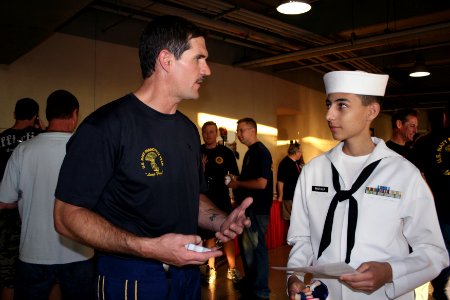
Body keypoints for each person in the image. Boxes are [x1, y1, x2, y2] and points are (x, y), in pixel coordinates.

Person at [53, 15, 252, 300]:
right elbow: (65, 216)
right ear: (166, 60)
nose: (207, 70)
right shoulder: (105, 127)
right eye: (198, 58)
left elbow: (190, 198)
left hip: (186, 275)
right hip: (131, 278)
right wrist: (149, 247)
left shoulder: (186, 130)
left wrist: (221, 220)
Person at [286, 70, 449, 300]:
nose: (329, 115)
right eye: (328, 104)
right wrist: (294, 276)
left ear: (371, 111)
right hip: (325, 294)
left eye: (341, 105)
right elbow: (303, 239)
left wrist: (390, 272)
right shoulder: (314, 172)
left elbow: (434, 252)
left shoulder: (403, 174)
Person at [0, 90, 95, 300]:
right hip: (79, 252)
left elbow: (5, 202)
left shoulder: (23, 151)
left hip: (34, 251)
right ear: (75, 114)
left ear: (46, 114)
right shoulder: (87, 150)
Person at [0, 97, 42, 300]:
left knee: (8, 275)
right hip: (34, 213)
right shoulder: (39, 138)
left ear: (15, 114)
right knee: (43, 271)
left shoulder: (1, 139)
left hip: (5, 213)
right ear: (35, 116)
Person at [227, 117, 273, 299]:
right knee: (247, 248)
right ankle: (251, 282)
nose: (238, 134)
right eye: (238, 131)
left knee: (256, 248)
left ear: (253, 130)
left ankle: (261, 290)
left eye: (241, 130)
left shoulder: (261, 152)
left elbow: (261, 183)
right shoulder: (250, 152)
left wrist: (238, 184)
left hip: (257, 208)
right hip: (249, 209)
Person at [410, 106, 450, 300]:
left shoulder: (424, 142)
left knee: (439, 267)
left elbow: (414, 177)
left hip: (437, 212)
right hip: (439, 214)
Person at [199, 121, 242, 284]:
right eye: (205, 132)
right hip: (205, 200)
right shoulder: (198, 152)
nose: (208, 135)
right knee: (209, 236)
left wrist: (229, 181)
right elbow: (191, 176)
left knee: (226, 235)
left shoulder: (225, 152)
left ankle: (232, 269)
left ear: (216, 133)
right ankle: (211, 269)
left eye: (211, 132)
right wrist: (200, 169)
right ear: (202, 134)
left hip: (222, 198)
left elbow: (234, 176)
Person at [277, 141, 303, 221]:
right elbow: (280, 181)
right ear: (295, 152)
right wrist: (281, 196)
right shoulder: (285, 163)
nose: (301, 154)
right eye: (300, 151)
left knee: (297, 220)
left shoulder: (296, 162)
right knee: (292, 220)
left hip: (296, 196)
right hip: (289, 197)